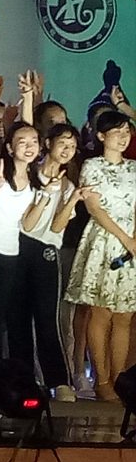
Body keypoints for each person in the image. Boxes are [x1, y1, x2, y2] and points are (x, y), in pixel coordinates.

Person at [64, 111, 136, 402]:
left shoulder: (134, 168)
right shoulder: (92, 166)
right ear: (102, 136)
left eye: (126, 132)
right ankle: (101, 379)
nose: (123, 136)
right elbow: (94, 208)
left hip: (132, 242)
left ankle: (119, 379)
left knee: (124, 316)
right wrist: (125, 238)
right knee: (100, 311)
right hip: (105, 240)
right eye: (117, 132)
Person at [9, 123, 83, 403]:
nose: (67, 150)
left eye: (73, 147)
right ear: (47, 143)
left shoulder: (68, 184)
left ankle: (58, 381)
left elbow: (56, 228)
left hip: (46, 251)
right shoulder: (29, 173)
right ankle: (22, 378)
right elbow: (25, 221)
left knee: (47, 318)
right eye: (63, 144)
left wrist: (71, 199)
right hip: (17, 245)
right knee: (16, 318)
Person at [0, 122, 41, 394]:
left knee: (4, 316)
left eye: (34, 141)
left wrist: (45, 198)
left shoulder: (36, 178)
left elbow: (28, 225)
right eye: (22, 142)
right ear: (10, 147)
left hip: (11, 251)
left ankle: (7, 377)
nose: (29, 146)